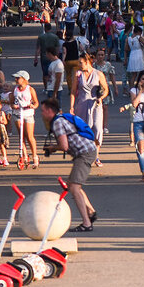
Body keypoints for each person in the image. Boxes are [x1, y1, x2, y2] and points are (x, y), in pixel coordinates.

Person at [40, 98, 97, 232]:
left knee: (75, 188)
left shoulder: (57, 123)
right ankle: (91, 212)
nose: (41, 114)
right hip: (86, 151)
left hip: (85, 153)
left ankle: (87, 223)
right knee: (72, 185)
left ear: (49, 111)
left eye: (43, 111)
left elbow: (64, 146)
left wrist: (53, 148)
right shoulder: (60, 119)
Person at [70, 51, 108, 167]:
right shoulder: (78, 74)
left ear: (87, 62)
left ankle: (96, 156)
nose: (79, 65)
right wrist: (71, 107)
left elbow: (106, 89)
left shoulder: (98, 74)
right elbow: (73, 91)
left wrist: (101, 98)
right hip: (81, 104)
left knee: (97, 128)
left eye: (81, 63)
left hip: (95, 104)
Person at [10, 71, 40, 168]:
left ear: (24, 79)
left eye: (18, 78)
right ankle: (24, 155)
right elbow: (11, 102)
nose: (16, 80)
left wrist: (32, 106)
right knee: (21, 135)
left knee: (29, 136)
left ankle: (35, 156)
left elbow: (36, 103)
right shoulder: (14, 90)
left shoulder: (30, 89)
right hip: (18, 114)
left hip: (28, 114)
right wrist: (14, 106)